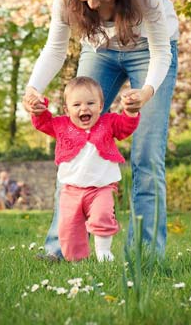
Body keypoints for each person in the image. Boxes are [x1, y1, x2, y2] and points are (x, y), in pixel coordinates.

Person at [23, 0, 179, 260]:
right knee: (73, 143)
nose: (92, 5)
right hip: (100, 52)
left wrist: (146, 92)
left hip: (148, 53)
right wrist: (33, 89)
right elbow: (54, 48)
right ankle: (60, 249)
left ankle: (145, 256)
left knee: (147, 158)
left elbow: (162, 51)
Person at [31, 76, 140, 261]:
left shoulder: (108, 122)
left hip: (102, 188)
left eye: (91, 103)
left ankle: (103, 252)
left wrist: (130, 113)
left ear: (100, 106)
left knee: (102, 216)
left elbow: (125, 127)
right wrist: (39, 109)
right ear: (67, 110)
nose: (84, 108)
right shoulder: (61, 125)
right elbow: (43, 122)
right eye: (77, 105)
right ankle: (77, 261)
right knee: (68, 227)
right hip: (71, 190)